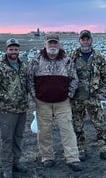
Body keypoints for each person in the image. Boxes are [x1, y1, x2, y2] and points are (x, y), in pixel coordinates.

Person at [27, 33, 82, 171]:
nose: (52, 45)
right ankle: (47, 157)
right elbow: (29, 79)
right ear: (45, 44)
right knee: (44, 131)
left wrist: (69, 94)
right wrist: (35, 96)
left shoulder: (66, 60)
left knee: (67, 129)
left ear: (59, 44)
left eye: (55, 43)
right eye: (50, 43)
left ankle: (72, 158)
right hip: (42, 102)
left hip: (62, 102)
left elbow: (74, 79)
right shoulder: (36, 60)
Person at [69, 30, 106, 161]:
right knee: (77, 126)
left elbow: (104, 77)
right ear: (79, 41)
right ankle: (81, 150)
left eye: (87, 39)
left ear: (91, 40)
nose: (85, 41)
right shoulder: (72, 56)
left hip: (93, 98)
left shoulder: (98, 57)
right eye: (83, 39)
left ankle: (104, 150)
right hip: (77, 99)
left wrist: (100, 93)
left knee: (100, 125)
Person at [0, 38, 28, 178]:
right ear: (6, 50)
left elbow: (27, 84)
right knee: (7, 139)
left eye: (16, 49)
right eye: (11, 49)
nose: (14, 52)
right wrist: (8, 97)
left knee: (18, 137)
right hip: (7, 110)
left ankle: (16, 163)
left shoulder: (23, 66)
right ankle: (7, 167)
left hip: (22, 108)